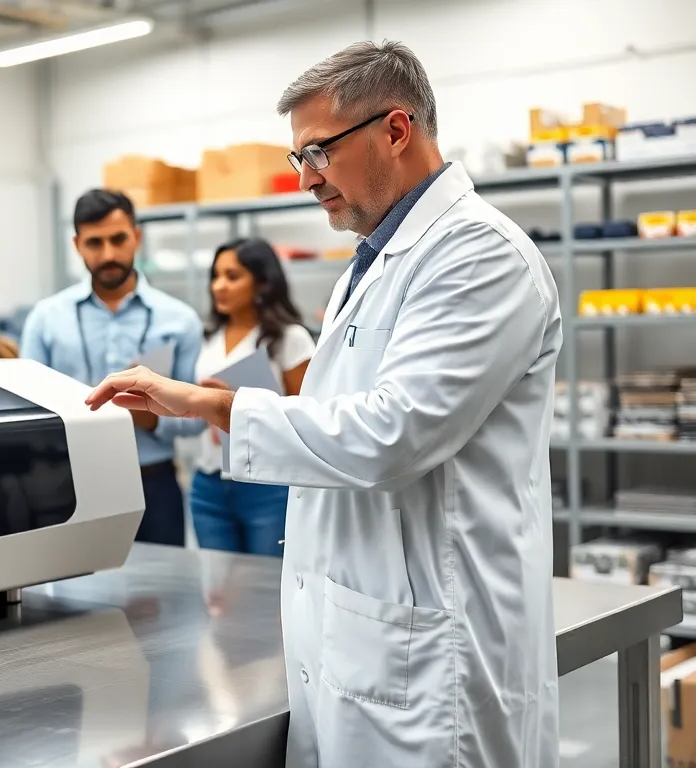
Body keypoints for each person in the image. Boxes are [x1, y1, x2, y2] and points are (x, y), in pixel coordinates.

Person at [83, 41, 561, 768]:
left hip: (435, 663)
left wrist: (214, 405)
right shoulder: (369, 265)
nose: (305, 179)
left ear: (396, 130)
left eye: (317, 153)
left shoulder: (480, 256)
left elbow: (389, 436)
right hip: (359, 640)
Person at [20, 189, 203, 547]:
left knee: (163, 593)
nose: (108, 254)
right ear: (77, 245)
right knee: (74, 597)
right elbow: (27, 411)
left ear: (137, 237)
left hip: (154, 485)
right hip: (70, 486)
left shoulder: (180, 320)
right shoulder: (46, 318)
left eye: (118, 239)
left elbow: (196, 421)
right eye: (94, 243)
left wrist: (150, 413)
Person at [190, 238, 314, 557]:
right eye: (215, 277)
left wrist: (240, 409)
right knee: (221, 593)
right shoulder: (207, 339)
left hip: (267, 485)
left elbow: (310, 416)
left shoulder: (289, 338)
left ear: (262, 282)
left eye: (232, 276)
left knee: (266, 589)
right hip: (209, 483)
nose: (219, 286)